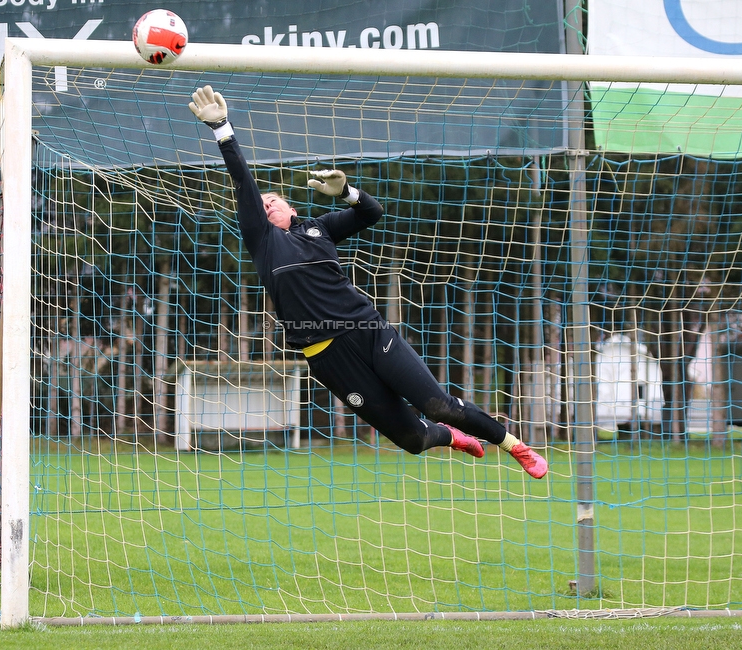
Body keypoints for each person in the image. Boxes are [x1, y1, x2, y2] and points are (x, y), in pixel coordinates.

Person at [188, 85, 547, 479]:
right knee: (411, 439)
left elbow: (371, 213)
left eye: (275, 200)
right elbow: (243, 182)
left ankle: (516, 446)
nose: (267, 203)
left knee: (437, 405)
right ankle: (449, 437)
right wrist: (222, 128)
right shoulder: (264, 242)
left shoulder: (319, 229)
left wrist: (347, 192)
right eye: (263, 203)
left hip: (368, 332)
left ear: (293, 207)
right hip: (327, 356)